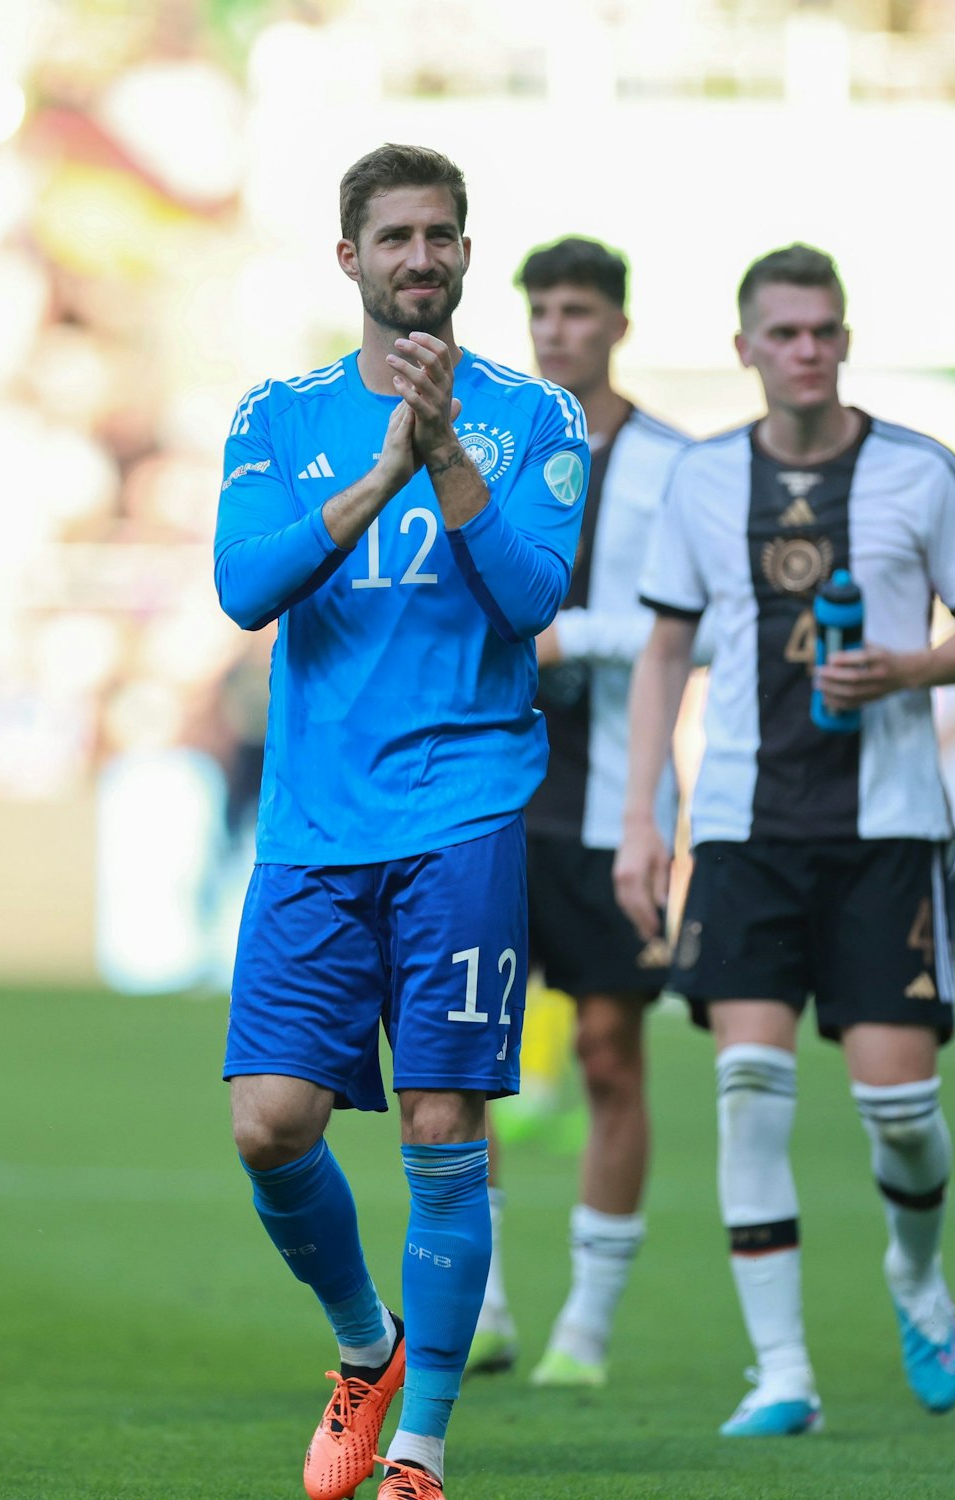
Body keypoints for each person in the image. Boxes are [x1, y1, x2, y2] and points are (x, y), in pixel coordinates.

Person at [214, 144, 587, 1500]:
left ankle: (419, 1448)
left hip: (467, 811)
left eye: (441, 235)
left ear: (467, 253)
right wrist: (381, 475)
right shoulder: (277, 413)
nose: (419, 257)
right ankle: (365, 1346)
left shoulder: (535, 417)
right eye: (395, 237)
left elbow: (534, 597)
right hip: (316, 822)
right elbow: (244, 587)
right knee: (269, 1123)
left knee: (444, 1124)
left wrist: (448, 461)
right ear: (350, 259)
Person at [616, 243, 955, 1437]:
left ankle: (913, 1271)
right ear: (743, 348)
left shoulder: (917, 472)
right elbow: (664, 651)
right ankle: (779, 1368)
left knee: (901, 1111)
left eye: (822, 331)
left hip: (883, 827)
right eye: (780, 333)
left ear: (843, 340)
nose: (803, 351)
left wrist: (910, 667)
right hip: (741, 825)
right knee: (747, 1084)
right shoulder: (696, 482)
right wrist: (641, 819)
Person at [464, 237, 690, 1387]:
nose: (558, 328)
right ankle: (485, 1302)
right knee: (464, 1056)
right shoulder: (490, 445)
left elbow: (682, 631)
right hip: (492, 792)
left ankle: (587, 1328)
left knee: (608, 1054)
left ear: (618, 323)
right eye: (542, 309)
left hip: (614, 801)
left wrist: (567, 633)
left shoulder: (673, 463)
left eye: (579, 309)